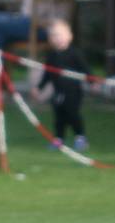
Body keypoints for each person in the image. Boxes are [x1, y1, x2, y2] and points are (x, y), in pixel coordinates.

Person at [31, 18, 90, 151]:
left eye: (60, 34)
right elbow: (47, 74)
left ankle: (80, 137)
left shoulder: (75, 54)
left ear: (69, 36)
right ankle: (59, 138)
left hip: (73, 92)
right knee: (59, 116)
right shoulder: (52, 56)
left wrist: (92, 81)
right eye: (53, 35)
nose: (57, 38)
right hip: (58, 92)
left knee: (73, 114)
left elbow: (85, 69)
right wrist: (38, 88)